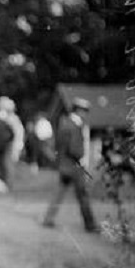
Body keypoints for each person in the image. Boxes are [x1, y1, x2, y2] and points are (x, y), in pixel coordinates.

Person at [42, 98, 98, 233]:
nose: (85, 114)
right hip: (75, 166)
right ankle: (90, 224)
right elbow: (75, 149)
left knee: (59, 192)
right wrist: (81, 155)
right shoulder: (75, 125)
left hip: (64, 165)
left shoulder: (64, 123)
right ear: (79, 110)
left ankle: (48, 219)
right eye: (84, 111)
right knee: (83, 195)